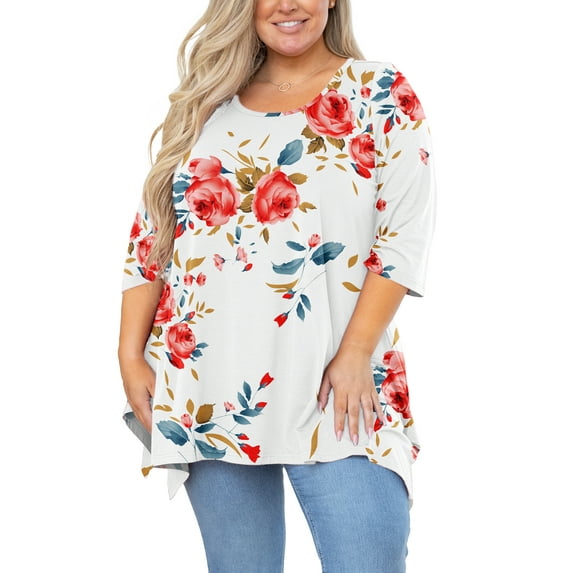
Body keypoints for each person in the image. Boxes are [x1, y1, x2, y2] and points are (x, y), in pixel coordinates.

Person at [119, 1, 435, 571]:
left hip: (338, 383)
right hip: (209, 386)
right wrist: (128, 355)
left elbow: (401, 239)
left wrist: (357, 351)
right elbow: (153, 238)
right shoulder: (206, 103)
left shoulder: (378, 91)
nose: (287, 4)